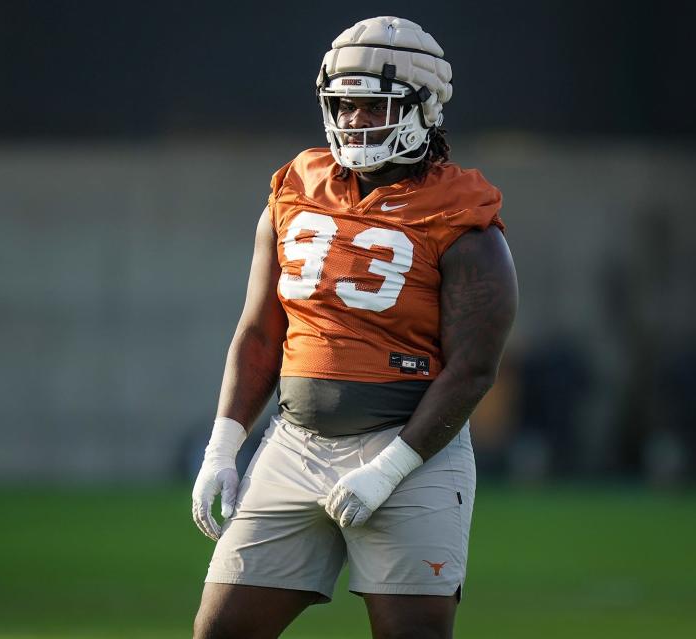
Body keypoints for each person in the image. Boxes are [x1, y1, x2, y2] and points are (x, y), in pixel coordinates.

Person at [191, 16, 518, 639]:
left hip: (412, 452)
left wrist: (389, 469)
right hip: (294, 445)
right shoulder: (295, 187)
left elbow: (474, 368)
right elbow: (260, 332)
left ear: (425, 111)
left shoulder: (463, 218)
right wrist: (222, 449)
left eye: (375, 107)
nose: (355, 122)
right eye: (344, 106)